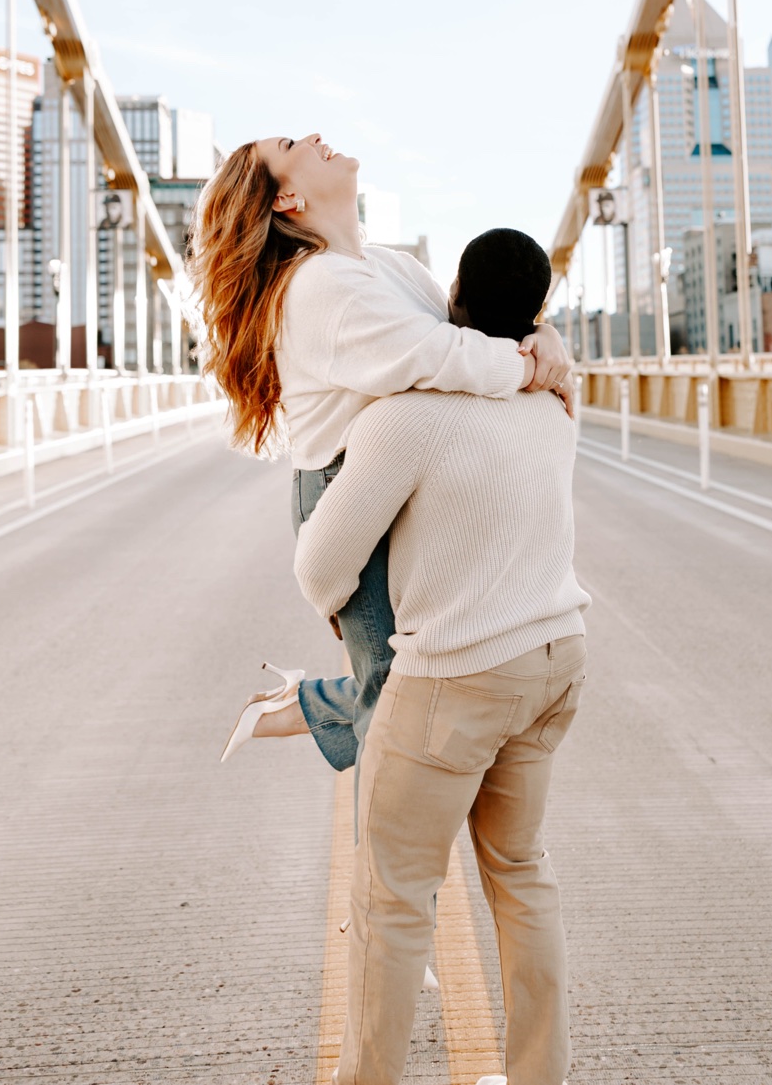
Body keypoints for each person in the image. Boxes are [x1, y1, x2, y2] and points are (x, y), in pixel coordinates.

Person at [293, 228, 589, 1085]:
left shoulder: (405, 418)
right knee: (521, 871)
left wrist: (338, 611)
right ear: (538, 313)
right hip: (556, 657)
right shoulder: (557, 401)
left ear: (450, 296)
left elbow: (321, 562)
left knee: (391, 897)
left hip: (456, 677)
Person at [188, 133, 571, 770]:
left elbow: (468, 330)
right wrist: (540, 369)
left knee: (428, 677)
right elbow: (447, 358)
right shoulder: (317, 287)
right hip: (347, 493)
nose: (316, 137)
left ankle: (312, 706)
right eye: (292, 144)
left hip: (405, 475)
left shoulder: (390, 267)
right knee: (397, 708)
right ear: (286, 198)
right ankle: (362, 785)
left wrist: (540, 331)